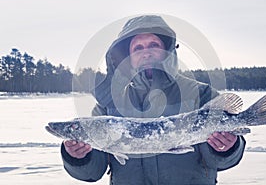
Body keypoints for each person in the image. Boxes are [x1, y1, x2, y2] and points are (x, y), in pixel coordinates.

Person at [61, 15, 246, 185]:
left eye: (153, 45)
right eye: (138, 48)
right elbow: (94, 171)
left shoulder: (202, 93)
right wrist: (78, 158)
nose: (146, 53)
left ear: (167, 50)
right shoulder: (109, 104)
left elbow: (219, 161)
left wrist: (226, 148)